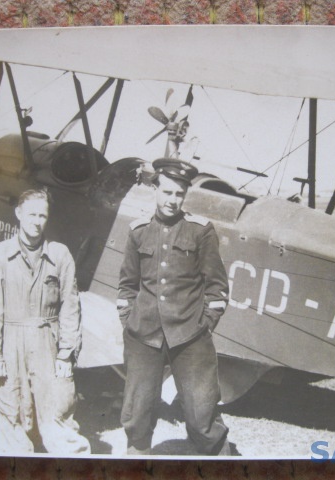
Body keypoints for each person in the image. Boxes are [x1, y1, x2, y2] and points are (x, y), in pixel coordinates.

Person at [117, 158, 231, 456]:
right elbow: (127, 285)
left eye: (179, 194)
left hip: (190, 335)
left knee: (202, 413)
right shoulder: (138, 231)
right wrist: (129, 320)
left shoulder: (200, 231)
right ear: (155, 189)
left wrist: (204, 324)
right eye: (167, 192)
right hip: (144, 335)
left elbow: (217, 287)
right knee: (137, 412)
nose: (173, 200)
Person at [0, 188, 90, 454]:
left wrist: (66, 354)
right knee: (12, 416)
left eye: (42, 215)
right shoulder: (0, 254)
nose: (37, 221)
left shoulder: (60, 255)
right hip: (11, 343)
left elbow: (70, 307)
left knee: (59, 414)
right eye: (32, 214)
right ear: (18, 214)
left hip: (47, 344)